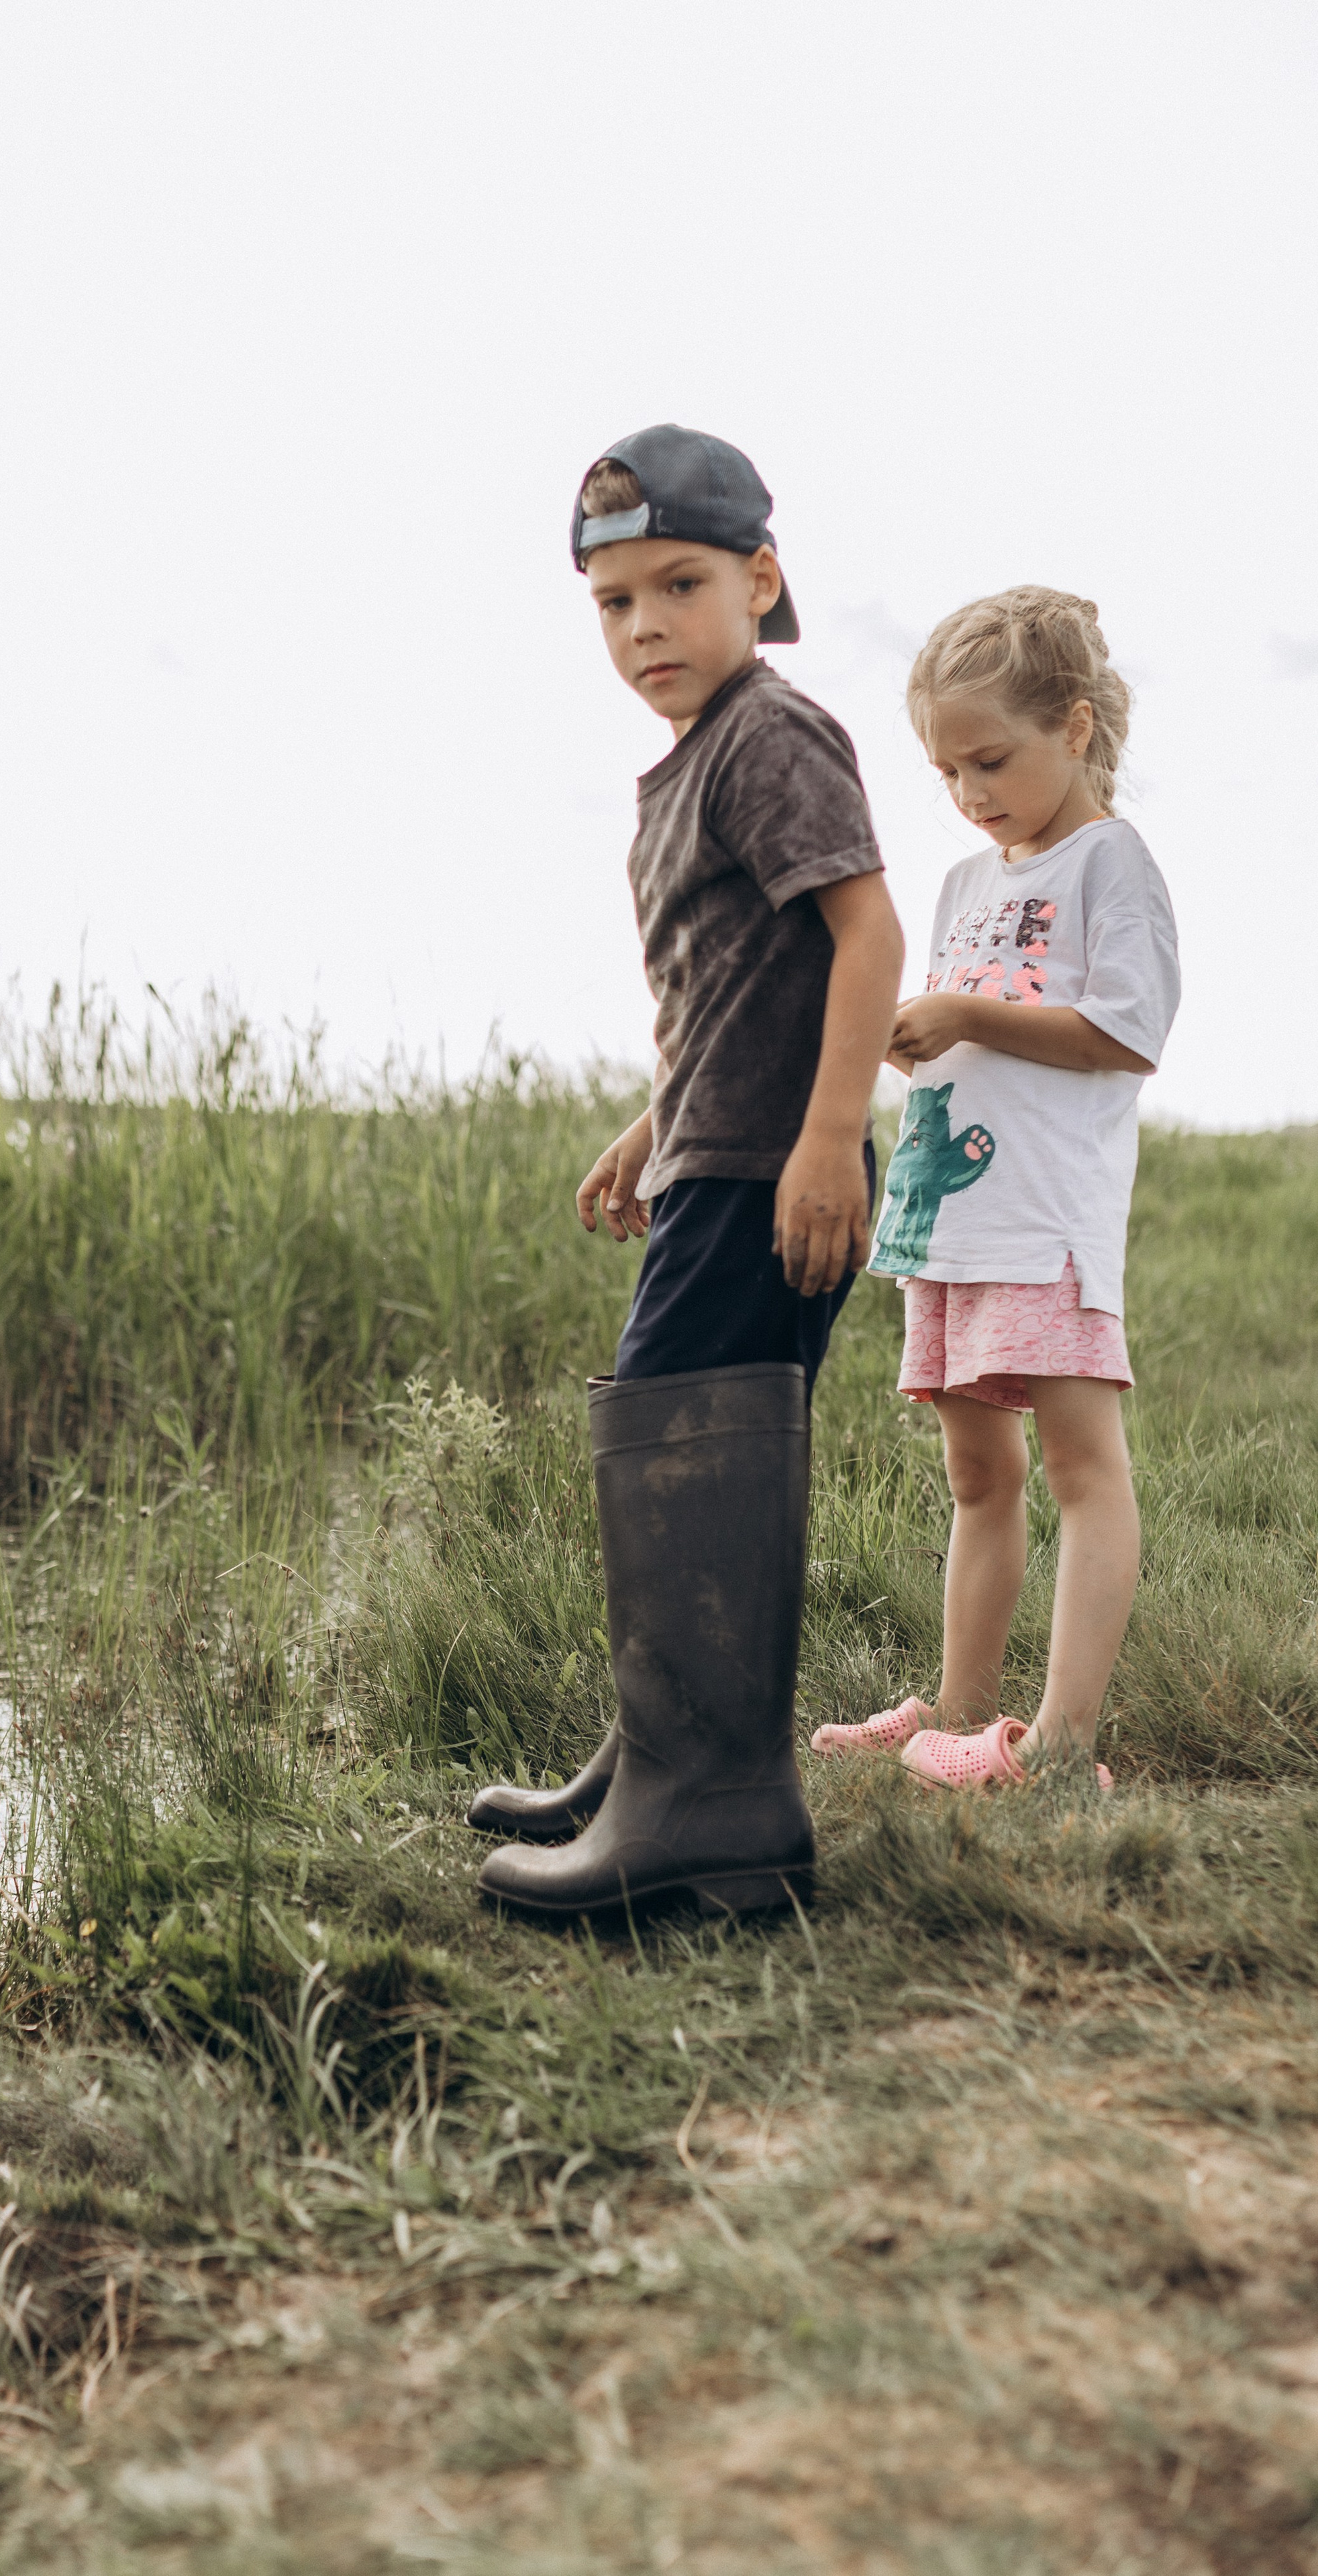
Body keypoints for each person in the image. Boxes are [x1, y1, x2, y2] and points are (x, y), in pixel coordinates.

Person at [470, 423, 904, 1919]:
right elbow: (733, 993)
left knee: (677, 1444)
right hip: (712, 1156)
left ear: (758, 582)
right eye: (614, 602)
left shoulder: (770, 734)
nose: (644, 625)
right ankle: (658, 1761)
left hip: (771, 1170)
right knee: (684, 1460)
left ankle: (709, 1809)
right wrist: (655, 1124)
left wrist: (828, 1139)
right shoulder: (691, 763)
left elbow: (865, 935)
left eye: (679, 585)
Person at [811, 586, 1180, 1790]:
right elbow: (962, 1041)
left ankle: (1063, 1747)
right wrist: (913, 1039)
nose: (969, 793)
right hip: (949, 1221)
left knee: (1082, 1469)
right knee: (979, 1475)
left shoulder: (1110, 862)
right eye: (947, 771)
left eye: (990, 761)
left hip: (1044, 1227)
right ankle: (957, 1716)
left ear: (1074, 726)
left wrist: (965, 1015)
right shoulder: (967, 882)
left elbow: (1126, 1033)